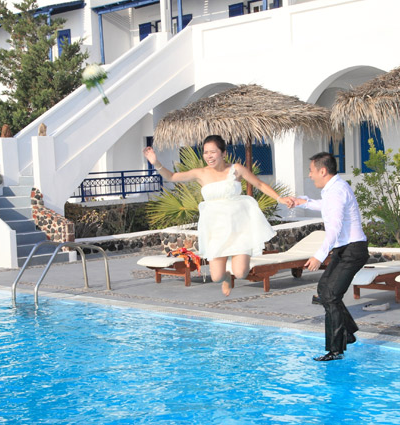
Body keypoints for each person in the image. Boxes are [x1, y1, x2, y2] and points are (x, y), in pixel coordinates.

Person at [143, 135, 293, 296]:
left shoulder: (236, 169)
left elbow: (259, 184)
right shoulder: (200, 173)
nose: (209, 156)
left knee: (241, 272)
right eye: (206, 152)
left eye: (213, 152)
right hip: (215, 229)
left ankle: (235, 269)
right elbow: (172, 177)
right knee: (216, 276)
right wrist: (155, 163)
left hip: (239, 226)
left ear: (223, 153)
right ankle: (227, 277)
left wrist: (280, 198)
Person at [290, 152, 369, 361]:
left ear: (322, 171)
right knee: (324, 290)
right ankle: (348, 332)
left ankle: (336, 350)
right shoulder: (333, 189)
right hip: (345, 249)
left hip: (352, 250)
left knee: (332, 296)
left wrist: (319, 256)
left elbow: (333, 229)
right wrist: (302, 202)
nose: (310, 175)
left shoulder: (336, 192)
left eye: (311, 171)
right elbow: (324, 206)